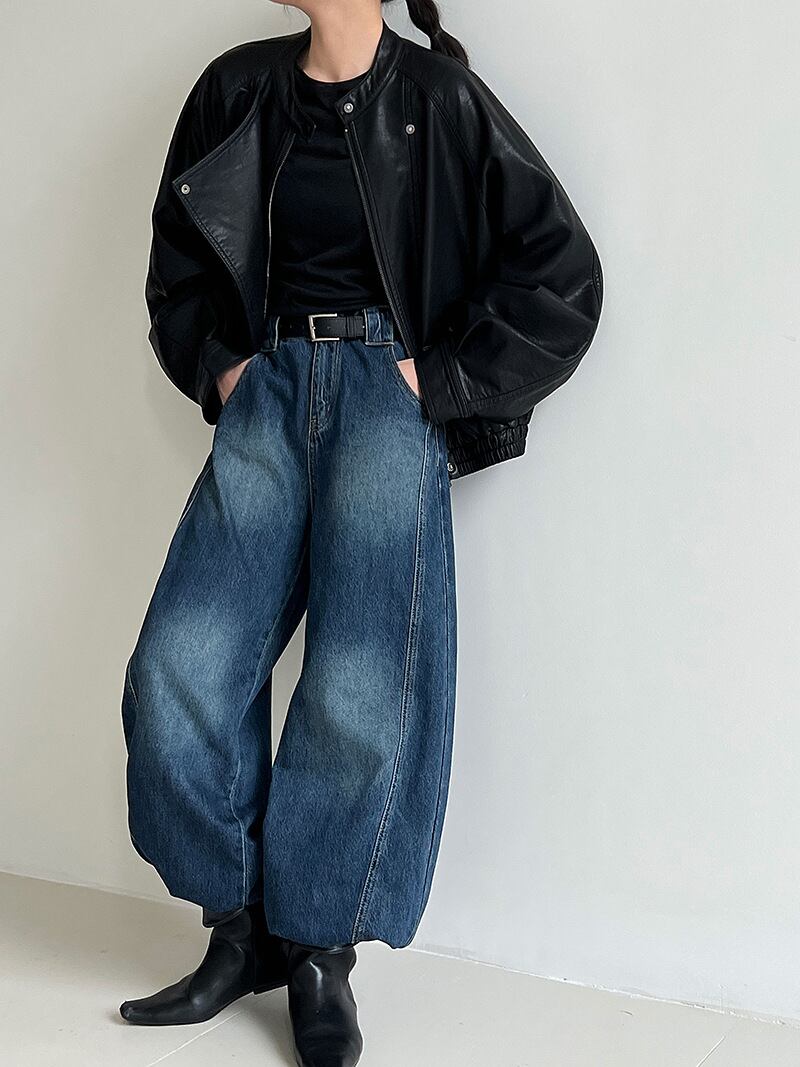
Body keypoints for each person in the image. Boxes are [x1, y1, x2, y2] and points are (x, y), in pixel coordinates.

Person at [118, 1, 603, 1063]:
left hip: (387, 396)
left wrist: (440, 380)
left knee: (360, 684)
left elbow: (562, 271)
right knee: (177, 668)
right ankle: (239, 928)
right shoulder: (237, 89)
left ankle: (317, 956)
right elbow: (176, 264)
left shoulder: (439, 98)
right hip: (267, 391)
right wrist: (223, 369)